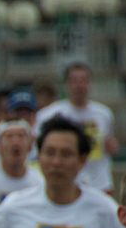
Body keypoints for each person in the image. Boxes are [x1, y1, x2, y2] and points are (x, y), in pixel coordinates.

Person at [35, 62, 118, 192]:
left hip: (98, 182)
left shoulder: (103, 113)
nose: (79, 86)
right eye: (74, 81)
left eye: (83, 81)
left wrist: (112, 147)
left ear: (90, 84)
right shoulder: (49, 114)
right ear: (66, 85)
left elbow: (110, 145)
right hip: (66, 182)